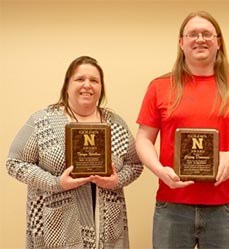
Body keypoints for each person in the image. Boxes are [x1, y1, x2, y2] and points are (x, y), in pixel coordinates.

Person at [135, 10, 229, 249]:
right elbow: (143, 138)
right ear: (181, 43)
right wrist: (159, 170)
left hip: (224, 205)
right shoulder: (159, 86)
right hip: (172, 203)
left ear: (218, 42)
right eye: (192, 34)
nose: (200, 39)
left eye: (207, 34)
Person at [6, 56, 144, 249]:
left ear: (101, 88)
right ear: (67, 85)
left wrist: (117, 181)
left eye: (94, 80)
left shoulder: (115, 124)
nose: (87, 85)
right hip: (57, 227)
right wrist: (55, 183)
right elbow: (14, 163)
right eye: (80, 79)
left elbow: (135, 164)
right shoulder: (42, 121)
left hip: (107, 226)